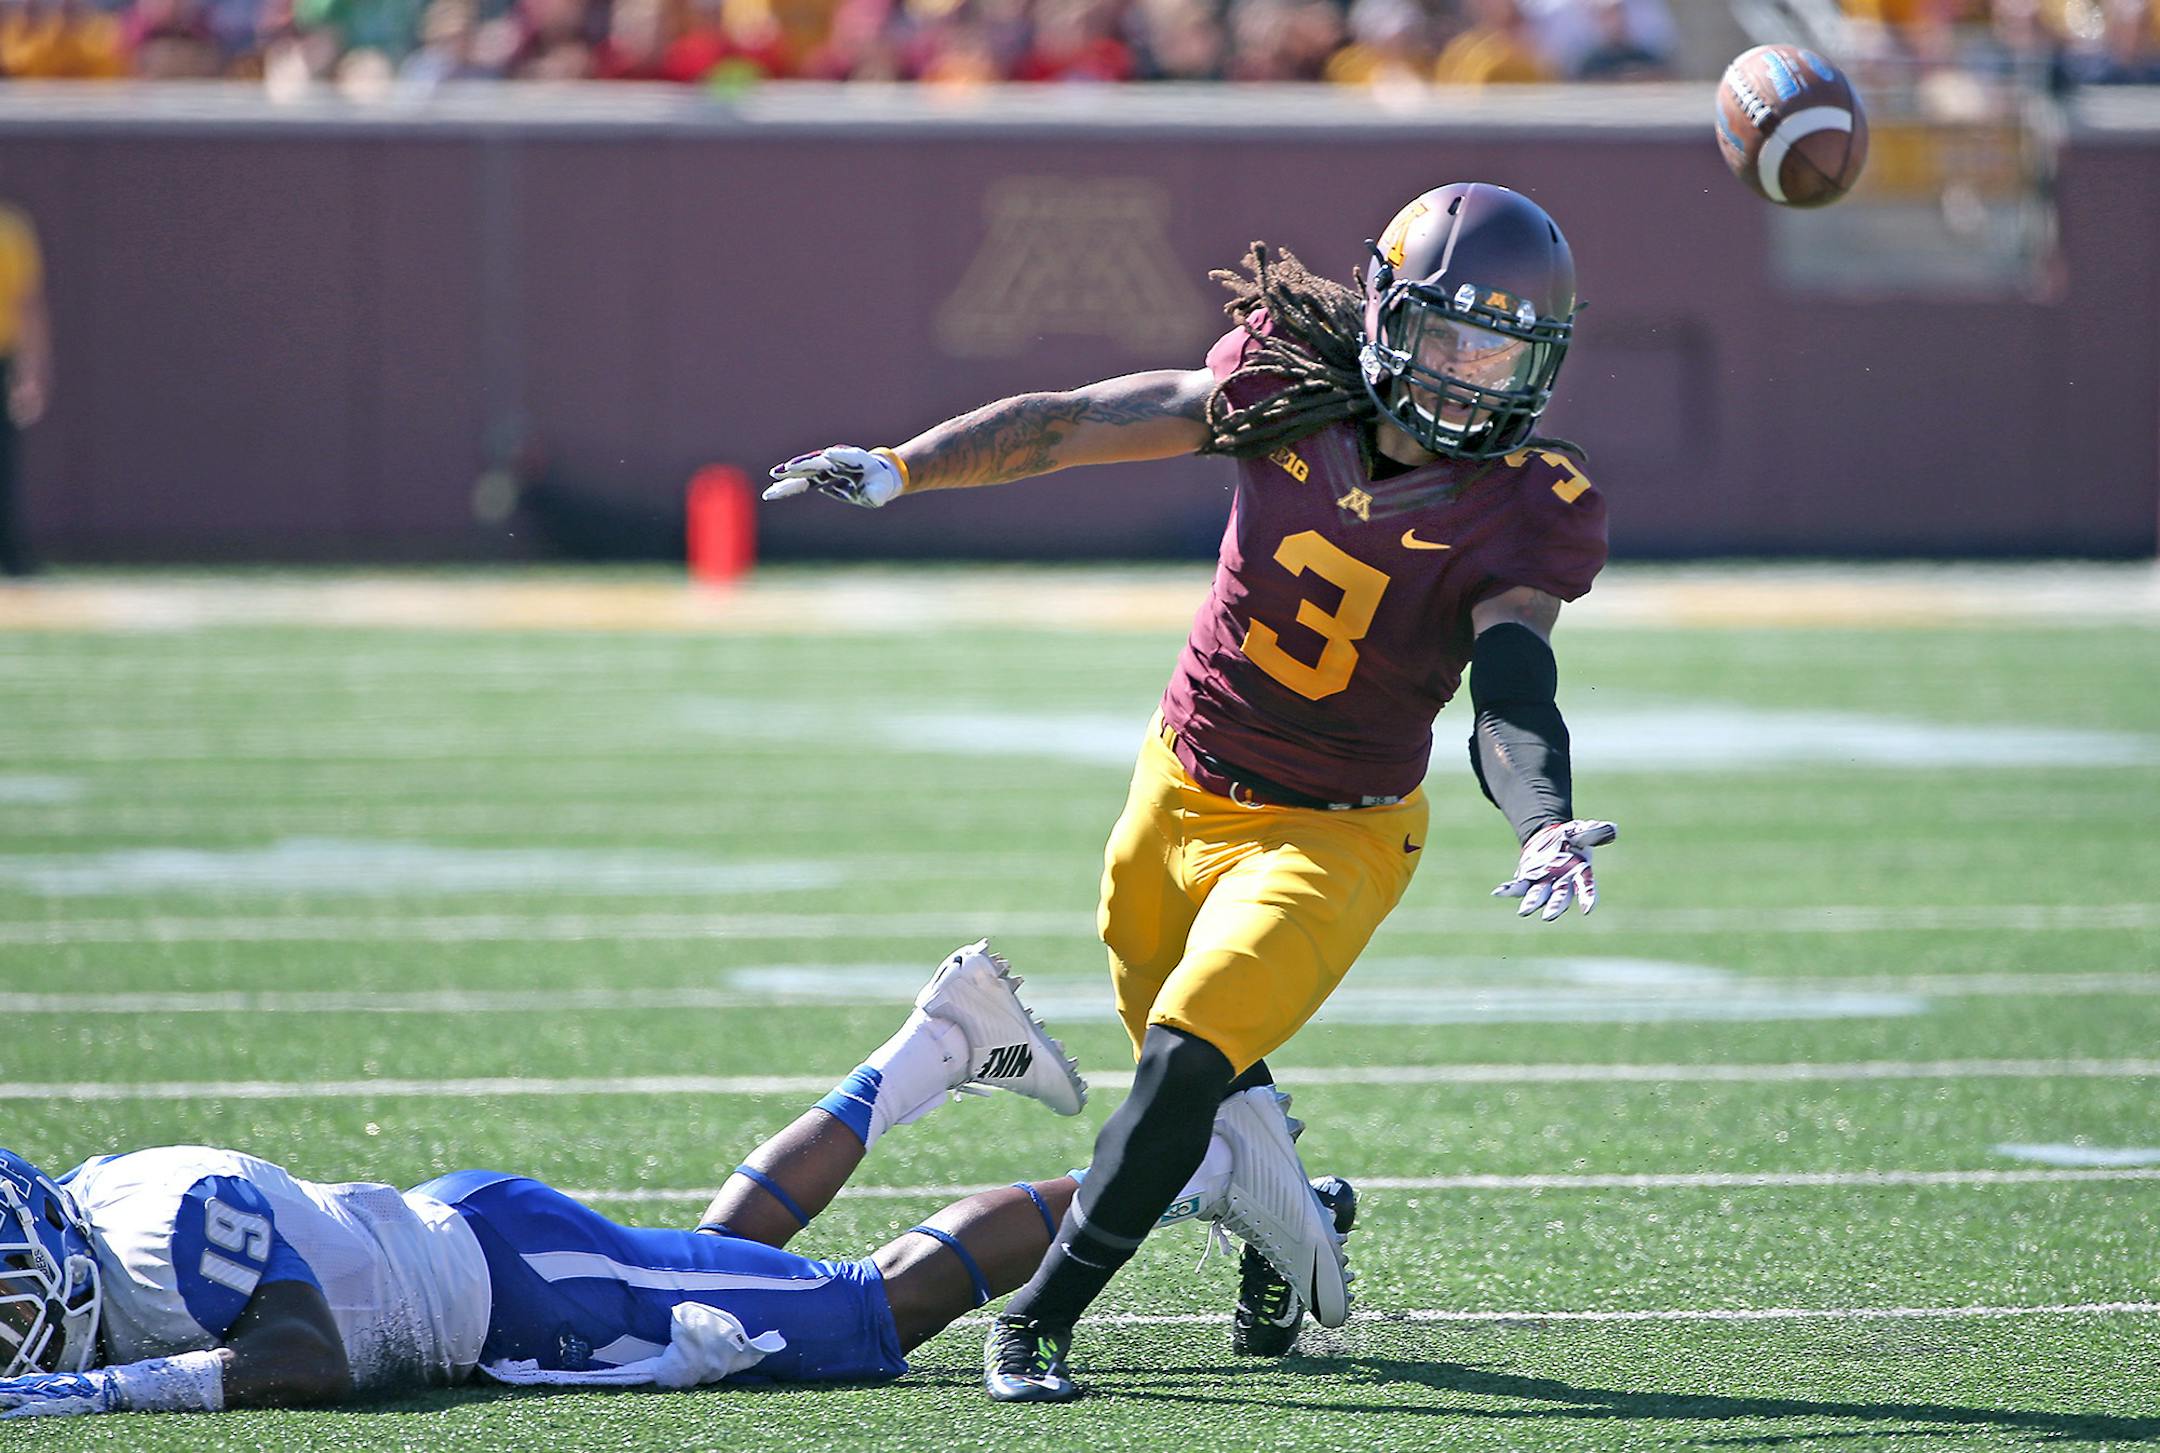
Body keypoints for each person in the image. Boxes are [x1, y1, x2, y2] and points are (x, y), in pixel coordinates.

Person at [765, 181, 1617, 1402]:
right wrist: (903, 466)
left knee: (1181, 1062)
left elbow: (1515, 685)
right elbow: (1070, 423)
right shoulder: (1283, 386)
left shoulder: (1525, 506)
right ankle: (1284, 1213)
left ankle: (1040, 1321)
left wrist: (1541, 819)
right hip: (1177, 784)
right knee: (1200, 1084)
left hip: (1333, 835)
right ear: (1387, 314)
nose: (1470, 378)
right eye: (1449, 337)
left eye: (1501, 352)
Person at [0, 941, 1350, 1419]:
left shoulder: (164, 1222)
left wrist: (96, 1391)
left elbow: (299, 1353)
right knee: (728, 1261)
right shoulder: (99, 1213)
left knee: (866, 1310)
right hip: (500, 1262)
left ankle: (1198, 1166)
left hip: (516, 1291)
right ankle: (939, 1044)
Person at [0, 200, 51, 579]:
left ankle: (11, 554)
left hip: (3, 357)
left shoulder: (9, 231)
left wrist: (31, 371)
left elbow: (28, 304)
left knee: (4, 463)